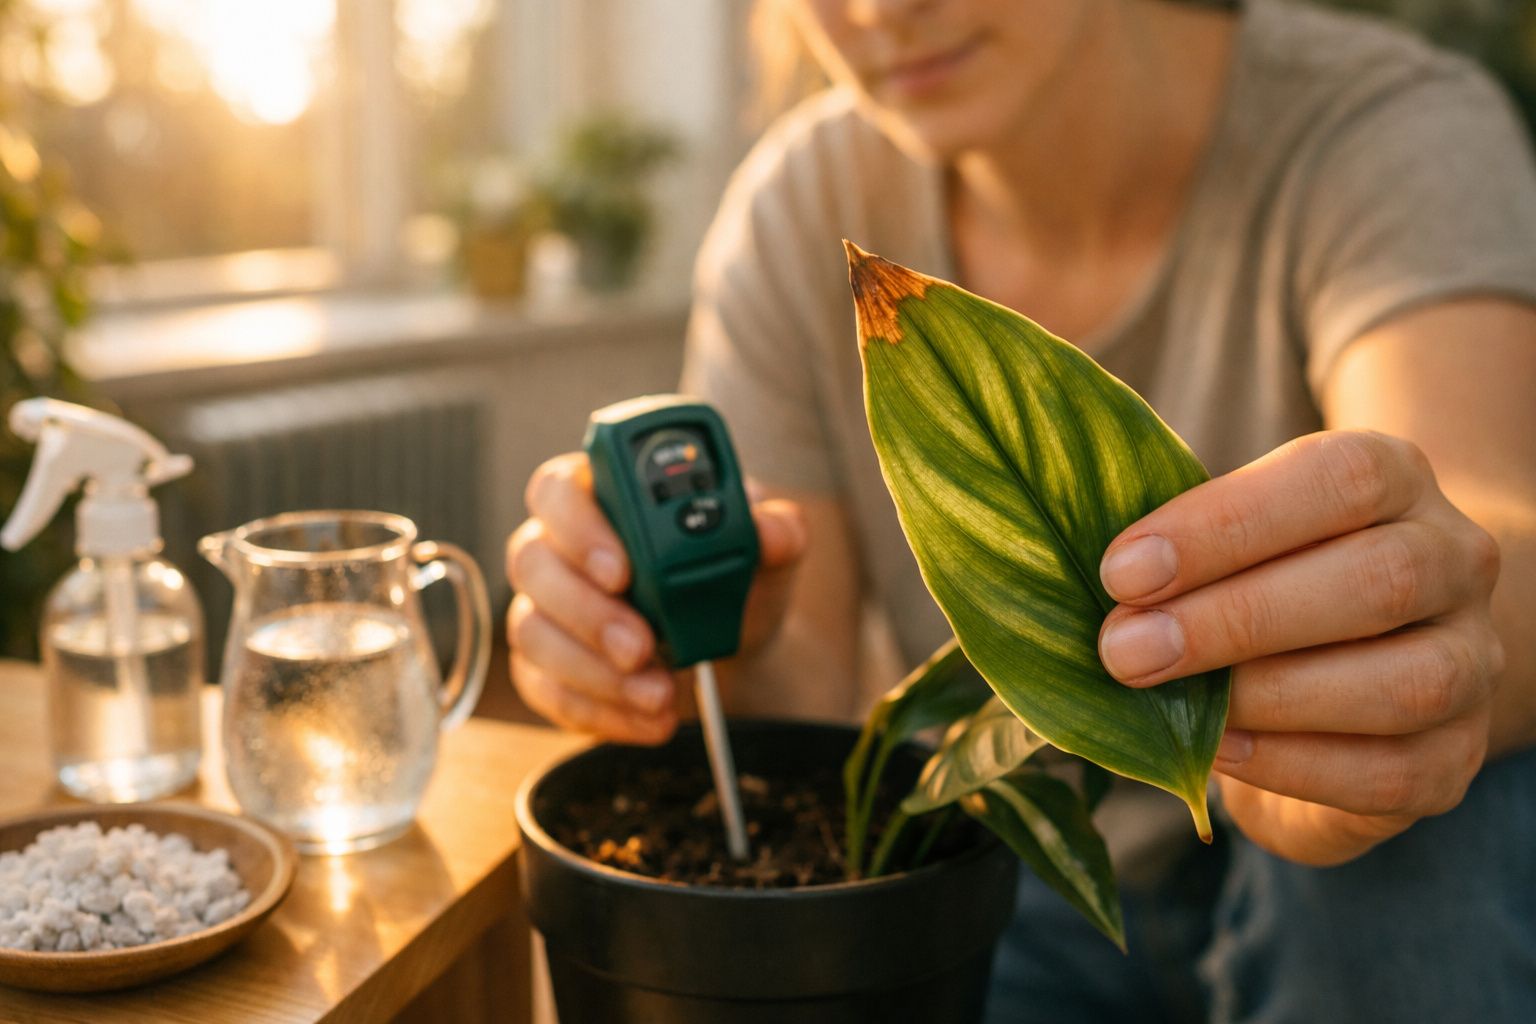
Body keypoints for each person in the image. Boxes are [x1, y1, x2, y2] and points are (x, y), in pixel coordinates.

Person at [504, 0, 1536, 1019]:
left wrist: (1417, 640)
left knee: (1424, 852)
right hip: (1022, 872)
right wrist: (693, 640)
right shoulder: (801, 205)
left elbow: (1489, 515)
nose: (880, 10)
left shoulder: (1376, 128)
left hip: (1324, 867)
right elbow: (807, 713)